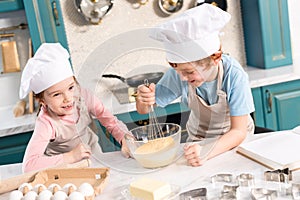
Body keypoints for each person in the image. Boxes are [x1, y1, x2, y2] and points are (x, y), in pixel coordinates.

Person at [136, 4, 255, 167]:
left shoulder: (233, 75)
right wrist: (143, 98)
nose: (183, 78)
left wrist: (207, 151)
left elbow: (239, 131)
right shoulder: (179, 73)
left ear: (215, 60)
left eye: (189, 72)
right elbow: (144, 110)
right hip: (197, 143)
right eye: (177, 70)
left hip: (234, 143)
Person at [19, 43, 130, 172]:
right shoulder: (46, 122)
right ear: (43, 101)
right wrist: (71, 156)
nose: (68, 98)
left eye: (71, 87)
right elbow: (29, 165)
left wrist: (124, 138)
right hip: (61, 168)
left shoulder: (85, 97)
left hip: (93, 157)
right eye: (57, 94)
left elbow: (110, 121)